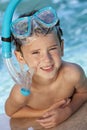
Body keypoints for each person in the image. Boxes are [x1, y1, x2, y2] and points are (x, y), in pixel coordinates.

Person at [5, 7, 87, 129]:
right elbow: (11, 112)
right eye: (35, 53)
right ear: (20, 57)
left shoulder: (73, 73)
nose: (47, 60)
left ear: (62, 47)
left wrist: (68, 111)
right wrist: (45, 111)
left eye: (52, 49)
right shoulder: (22, 91)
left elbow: (84, 92)